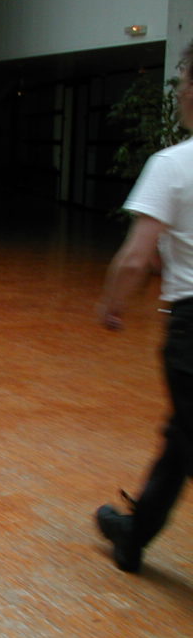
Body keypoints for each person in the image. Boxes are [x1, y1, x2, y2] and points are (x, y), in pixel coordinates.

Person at [94, 42, 193, 574]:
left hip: (191, 327)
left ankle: (134, 534)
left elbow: (136, 257)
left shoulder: (173, 165)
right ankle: (134, 534)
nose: (177, 94)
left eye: (182, 83)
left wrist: (112, 304)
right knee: (183, 437)